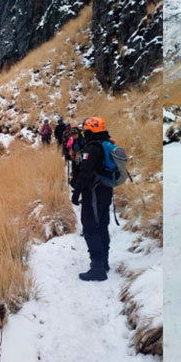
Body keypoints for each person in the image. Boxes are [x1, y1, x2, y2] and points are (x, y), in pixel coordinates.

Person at [70, 116, 114, 281]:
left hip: (93, 194)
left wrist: (76, 192)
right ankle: (104, 262)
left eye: (85, 130)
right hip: (105, 191)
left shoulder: (91, 148)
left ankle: (97, 268)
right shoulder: (106, 144)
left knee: (90, 228)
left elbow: (85, 172)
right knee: (102, 226)